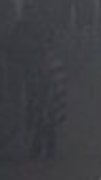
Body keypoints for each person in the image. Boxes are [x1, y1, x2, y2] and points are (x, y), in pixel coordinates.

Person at [27, 28, 67, 160]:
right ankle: (45, 148)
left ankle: (40, 148)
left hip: (46, 96)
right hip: (47, 96)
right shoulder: (54, 60)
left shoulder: (43, 60)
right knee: (46, 122)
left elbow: (40, 78)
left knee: (44, 122)